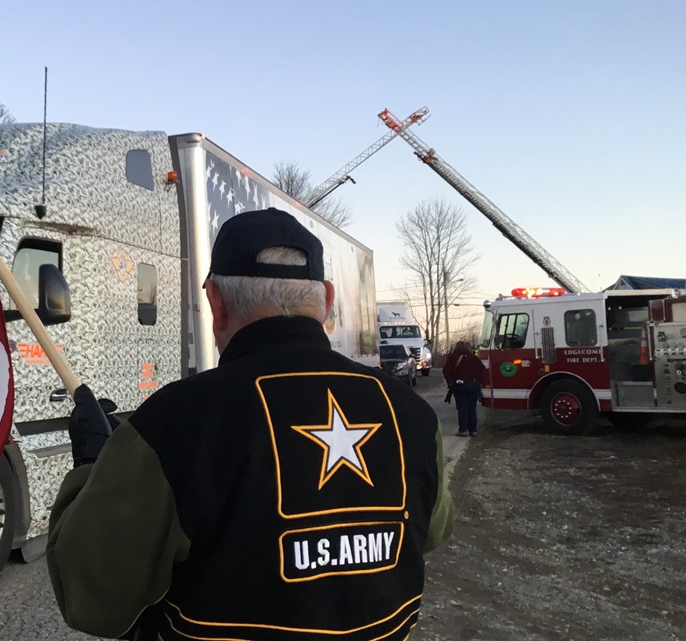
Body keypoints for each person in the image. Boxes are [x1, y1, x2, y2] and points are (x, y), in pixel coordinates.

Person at [47, 208, 454, 641]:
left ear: (215, 303)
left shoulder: (173, 424)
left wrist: (94, 467)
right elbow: (433, 529)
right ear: (327, 300)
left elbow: (91, 598)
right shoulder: (410, 413)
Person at [443, 341, 486, 436]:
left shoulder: (452, 357)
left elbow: (446, 371)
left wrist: (450, 381)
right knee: (472, 408)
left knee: (462, 408)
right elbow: (482, 368)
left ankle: (463, 430)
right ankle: (473, 430)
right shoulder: (473, 357)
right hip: (473, 385)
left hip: (459, 386)